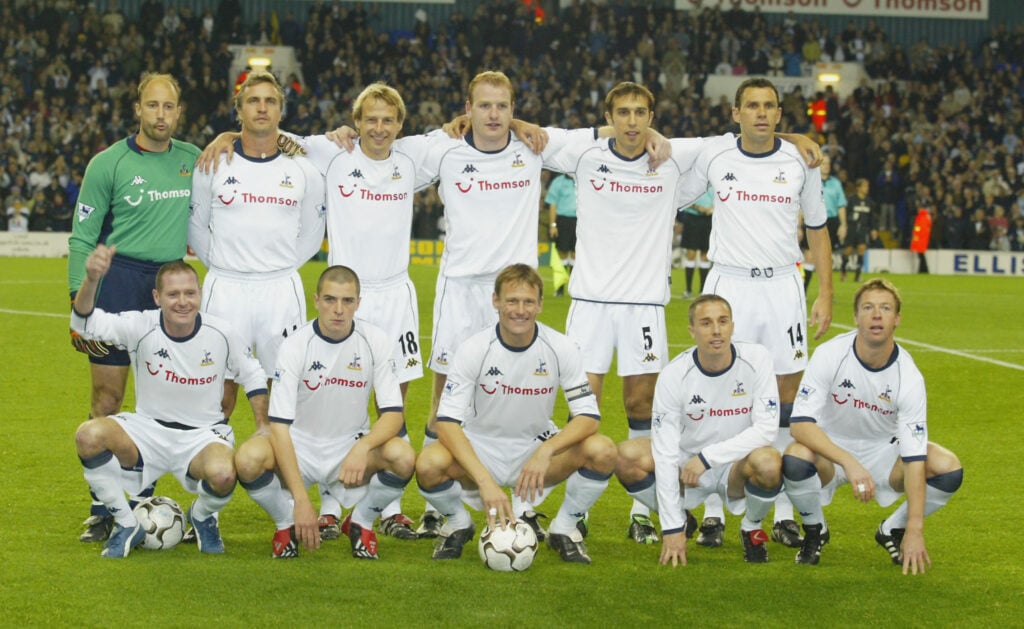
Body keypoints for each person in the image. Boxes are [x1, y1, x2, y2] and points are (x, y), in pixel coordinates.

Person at [544, 81, 819, 545]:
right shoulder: (585, 154)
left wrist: (795, 139)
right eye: (622, 113)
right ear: (609, 116)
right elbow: (532, 138)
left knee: (642, 406)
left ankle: (642, 513)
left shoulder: (672, 164)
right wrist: (489, 122)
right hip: (590, 301)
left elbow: (743, 138)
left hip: (647, 303)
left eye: (640, 113)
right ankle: (566, 512)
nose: (632, 121)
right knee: (581, 408)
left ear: (652, 116)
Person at [677, 77, 833, 550]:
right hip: (728, 282)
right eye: (752, 106)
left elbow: (819, 231)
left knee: (787, 395)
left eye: (769, 106)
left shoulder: (801, 162)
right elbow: (652, 148)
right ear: (735, 112)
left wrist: (824, 292)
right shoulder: (714, 155)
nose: (761, 113)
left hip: (783, 285)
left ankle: (779, 508)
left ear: (780, 114)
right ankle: (711, 510)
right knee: (719, 389)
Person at [281, 82, 433, 541]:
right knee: (335, 395)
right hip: (346, 297)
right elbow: (273, 135)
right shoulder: (333, 153)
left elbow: (461, 133)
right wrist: (223, 139)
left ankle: (389, 507)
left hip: (394, 297)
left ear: (400, 125)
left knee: (396, 402)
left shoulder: (413, 158)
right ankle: (332, 502)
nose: (380, 128)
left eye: (388, 120)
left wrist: (459, 121)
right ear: (357, 121)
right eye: (371, 119)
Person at [67, 72, 201, 543]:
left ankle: (142, 493)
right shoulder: (109, 163)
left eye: (169, 107)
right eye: (152, 106)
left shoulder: (194, 160)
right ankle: (103, 506)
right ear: (138, 108)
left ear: (178, 112)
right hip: (119, 283)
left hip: (169, 288)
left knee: (160, 400)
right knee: (107, 398)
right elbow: (84, 236)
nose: (160, 115)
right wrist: (76, 300)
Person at [71, 244, 269, 558]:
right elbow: (82, 324)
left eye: (189, 293)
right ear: (157, 297)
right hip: (146, 430)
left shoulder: (223, 332)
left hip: (202, 435)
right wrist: (92, 279)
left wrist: (262, 425)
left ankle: (202, 516)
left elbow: (254, 374)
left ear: (200, 294)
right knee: (88, 435)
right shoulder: (140, 325)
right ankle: (126, 523)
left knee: (223, 475)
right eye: (173, 294)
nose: (182, 302)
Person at [415, 264, 616, 564]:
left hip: (534, 450)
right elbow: (446, 423)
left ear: (540, 305)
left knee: (603, 450)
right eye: (512, 301)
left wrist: (546, 450)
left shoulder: (562, 347)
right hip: (481, 448)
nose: (520, 310)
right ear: (495, 301)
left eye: (528, 302)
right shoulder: (474, 348)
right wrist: (484, 480)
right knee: (428, 463)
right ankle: (458, 524)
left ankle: (564, 529)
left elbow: (589, 416)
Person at [234, 266, 415, 560]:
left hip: (349, 447)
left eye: (347, 301)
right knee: (248, 458)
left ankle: (361, 522)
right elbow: (278, 427)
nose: (339, 310)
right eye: (330, 300)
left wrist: (363, 446)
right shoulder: (295, 345)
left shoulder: (376, 340)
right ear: (316, 300)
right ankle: (285, 523)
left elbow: (393, 414)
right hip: (299, 447)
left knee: (403, 456)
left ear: (358, 303)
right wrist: (302, 502)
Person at [782, 279, 962, 572]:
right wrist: (849, 462)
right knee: (795, 456)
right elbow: (800, 425)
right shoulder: (830, 354)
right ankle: (816, 530)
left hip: (884, 455)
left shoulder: (909, 377)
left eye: (885, 308)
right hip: (832, 451)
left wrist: (915, 528)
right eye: (868, 307)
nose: (876, 315)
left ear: (897, 319)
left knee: (947, 467)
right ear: (855, 318)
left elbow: (914, 456)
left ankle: (893, 529)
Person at [188, 70, 326, 421]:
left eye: (270, 101)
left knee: (281, 388)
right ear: (239, 110)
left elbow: (312, 233)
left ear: (281, 110)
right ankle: (213, 466)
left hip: (280, 288)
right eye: (253, 101)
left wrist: (276, 267)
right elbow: (196, 227)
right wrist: (223, 264)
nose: (262, 108)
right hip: (225, 287)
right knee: (219, 389)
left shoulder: (304, 170)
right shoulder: (212, 163)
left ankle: (275, 472)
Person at [615, 294, 782, 565]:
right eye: (706, 323)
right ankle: (682, 519)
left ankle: (751, 528)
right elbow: (666, 451)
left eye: (723, 321)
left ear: (732, 326)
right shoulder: (673, 375)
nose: (716, 330)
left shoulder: (757, 358)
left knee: (769, 462)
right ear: (692, 331)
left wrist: (707, 458)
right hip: (687, 464)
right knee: (626, 456)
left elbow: (766, 429)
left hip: (735, 466)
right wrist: (671, 527)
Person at [546, 173, 577, 297]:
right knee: (562, 253)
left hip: (580, 220)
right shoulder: (558, 182)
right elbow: (552, 204)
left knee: (576, 255)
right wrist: (553, 225)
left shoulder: (582, 178)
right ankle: (560, 287)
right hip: (563, 220)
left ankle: (574, 287)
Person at [679, 187, 713, 299]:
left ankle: (702, 291)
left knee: (705, 256)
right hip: (692, 219)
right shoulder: (692, 180)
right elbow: (682, 200)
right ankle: (688, 290)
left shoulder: (715, 181)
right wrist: (698, 207)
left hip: (709, 220)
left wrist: (712, 209)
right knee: (691, 255)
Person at [842, 178, 877, 282]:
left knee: (862, 249)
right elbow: (845, 214)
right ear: (858, 188)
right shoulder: (851, 200)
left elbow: (872, 218)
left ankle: (857, 275)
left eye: (868, 186)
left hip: (863, 230)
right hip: (852, 229)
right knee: (848, 251)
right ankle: (843, 271)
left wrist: (874, 229)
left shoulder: (870, 202)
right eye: (865, 186)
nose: (867, 188)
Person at [820, 154, 848, 270]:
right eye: (823, 163)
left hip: (831, 220)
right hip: (814, 220)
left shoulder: (836, 183)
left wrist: (843, 225)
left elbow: (841, 205)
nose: (826, 166)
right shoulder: (810, 181)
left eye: (828, 164)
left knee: (829, 251)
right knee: (810, 251)